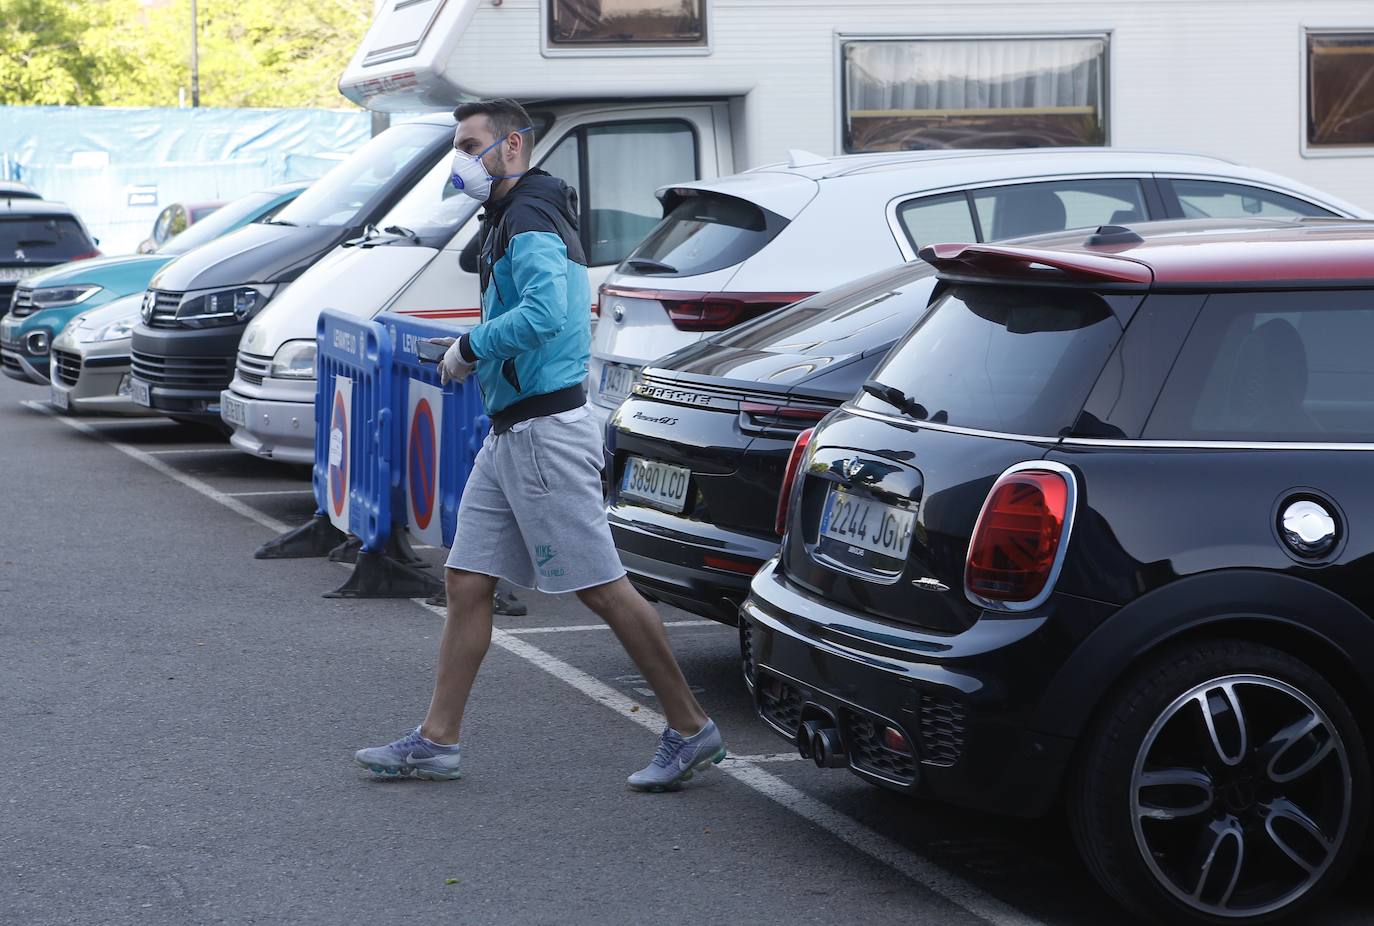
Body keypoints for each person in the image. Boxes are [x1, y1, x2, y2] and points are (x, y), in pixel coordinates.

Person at [354, 99, 724, 791]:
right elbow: (523, 316)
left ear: (513, 147)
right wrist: (468, 348)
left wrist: (471, 346)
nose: (460, 159)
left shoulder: (525, 216)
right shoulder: (512, 215)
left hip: (545, 435)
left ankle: (691, 726)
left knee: (602, 590)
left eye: (472, 145)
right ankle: (437, 741)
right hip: (514, 432)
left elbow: (548, 313)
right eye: (457, 147)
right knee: (467, 583)